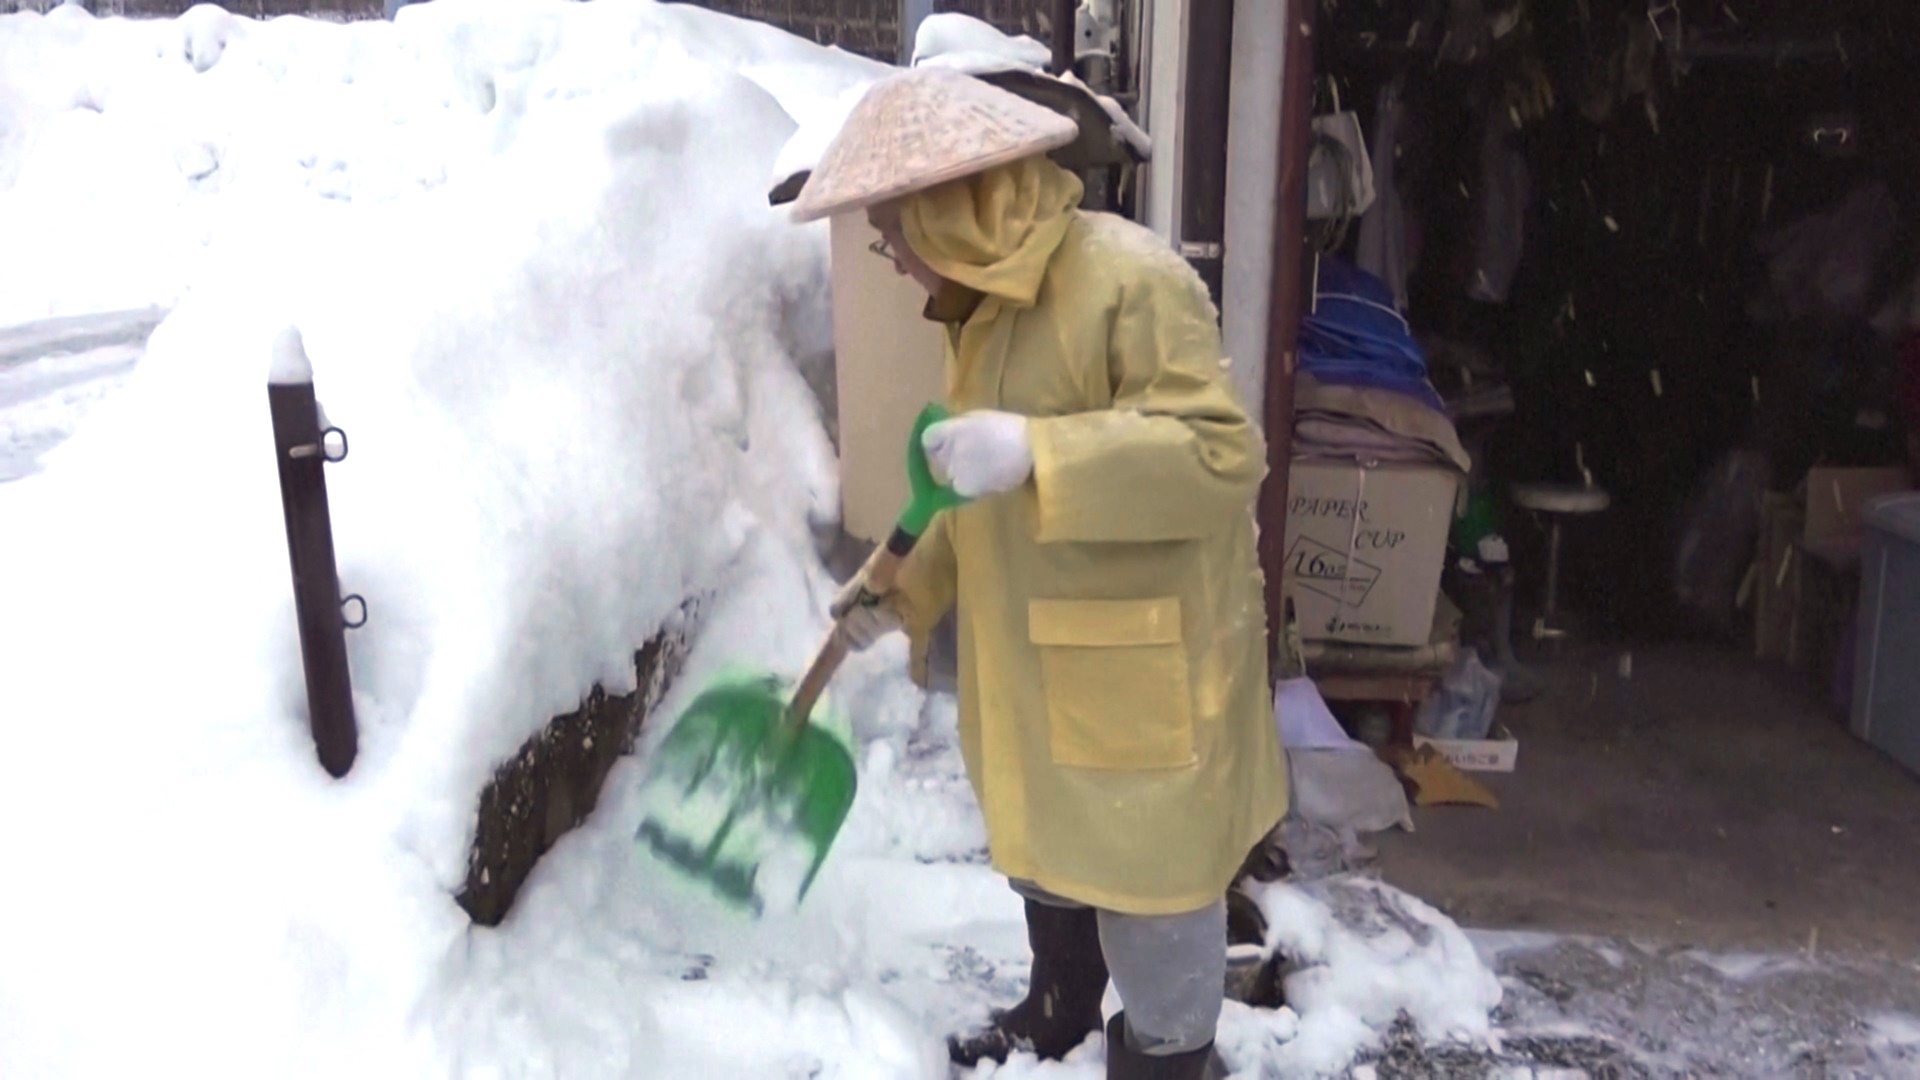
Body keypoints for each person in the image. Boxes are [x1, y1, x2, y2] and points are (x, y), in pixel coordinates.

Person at [789, 67, 1288, 1080]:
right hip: (1039, 671)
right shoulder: (979, 308)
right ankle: (1057, 1009)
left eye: (892, 225)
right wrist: (904, 588)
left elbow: (1220, 458)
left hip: (1144, 681)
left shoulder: (1129, 281)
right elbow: (969, 505)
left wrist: (1041, 453)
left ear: (955, 210)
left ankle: (1164, 1062)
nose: (886, 252)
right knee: (1050, 862)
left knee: (1154, 908)